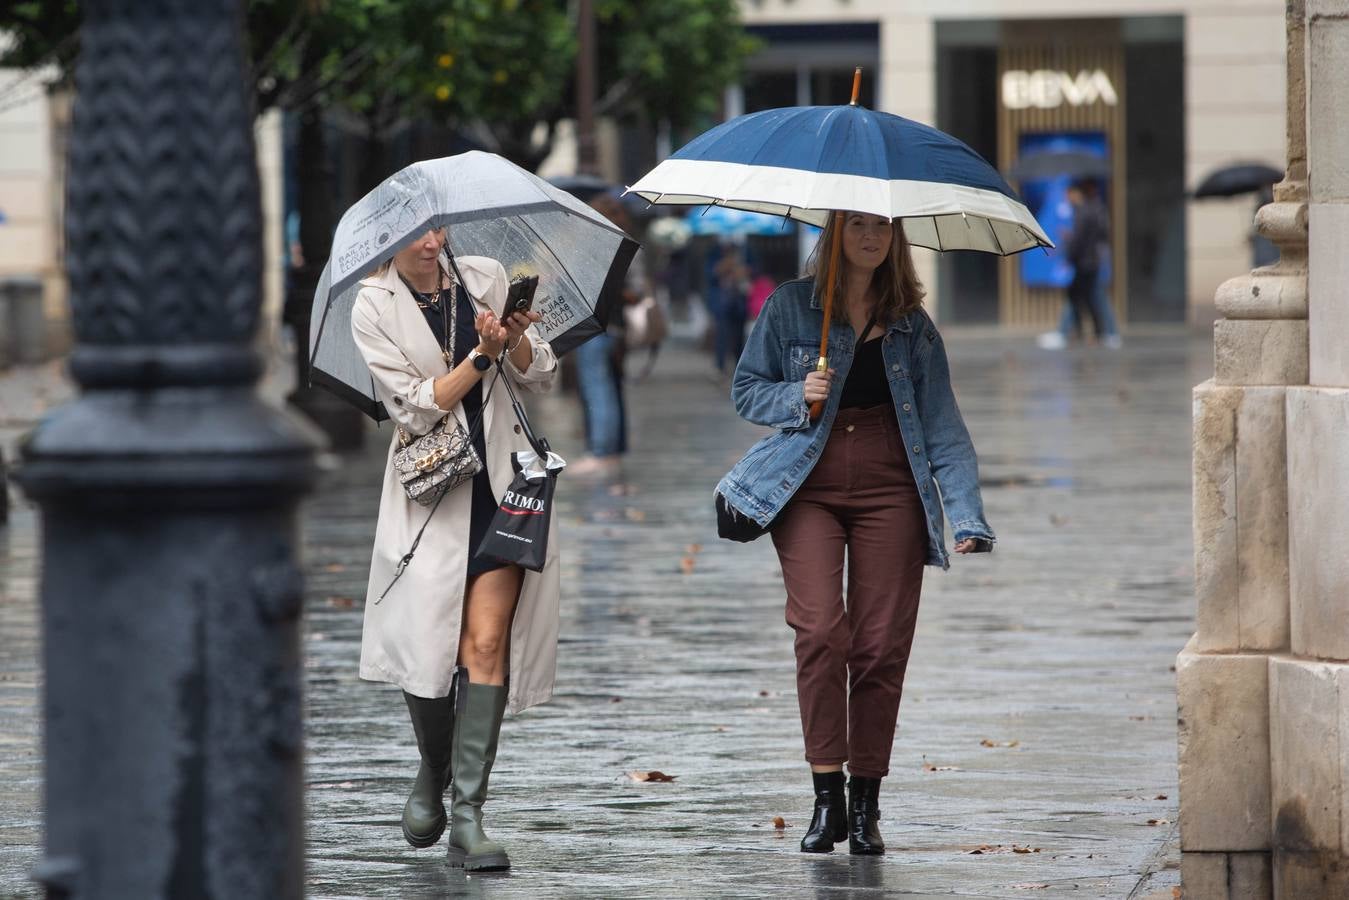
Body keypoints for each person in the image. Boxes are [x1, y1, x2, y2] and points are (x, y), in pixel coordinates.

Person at [717, 211, 995, 855]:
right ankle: (826, 796)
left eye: (885, 228)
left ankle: (865, 803)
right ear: (835, 232)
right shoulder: (792, 307)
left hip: (892, 485)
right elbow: (745, 390)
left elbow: (944, 428)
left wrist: (968, 516)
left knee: (878, 647)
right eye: (860, 225)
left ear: (896, 241)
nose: (872, 237)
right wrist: (796, 395)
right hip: (805, 483)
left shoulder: (912, 326)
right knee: (819, 631)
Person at [350, 228, 561, 871]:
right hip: (429, 496)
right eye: (416, 234)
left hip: (503, 488)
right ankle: (434, 766)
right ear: (389, 241)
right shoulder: (373, 305)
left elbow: (544, 373)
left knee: (485, 645)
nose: (431, 243)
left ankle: (469, 814)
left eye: (438, 229)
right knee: (428, 649)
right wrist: (480, 355)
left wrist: (517, 336)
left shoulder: (484, 276)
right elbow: (413, 410)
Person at [1038, 179, 1120, 349]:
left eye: (1069, 194)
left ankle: (1098, 334)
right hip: (1088, 261)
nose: (1067, 197)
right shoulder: (1091, 210)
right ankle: (1095, 333)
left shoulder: (1085, 211)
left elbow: (1081, 239)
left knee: (1085, 298)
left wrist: (1068, 255)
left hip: (1086, 262)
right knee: (1085, 297)